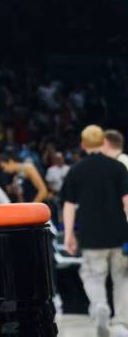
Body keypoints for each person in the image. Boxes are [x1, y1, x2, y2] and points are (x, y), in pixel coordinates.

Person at [61, 125, 128, 334]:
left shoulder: (76, 171)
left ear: (83, 145)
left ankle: (99, 305)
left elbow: (69, 205)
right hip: (119, 233)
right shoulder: (118, 168)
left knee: (93, 276)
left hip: (91, 235)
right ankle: (121, 322)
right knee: (122, 278)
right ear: (102, 142)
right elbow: (127, 201)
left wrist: (69, 235)